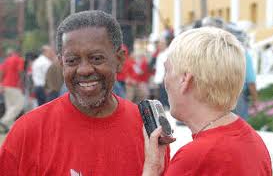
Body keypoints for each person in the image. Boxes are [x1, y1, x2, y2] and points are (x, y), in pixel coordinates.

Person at [0, 10, 170, 175]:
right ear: (62, 64)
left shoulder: (149, 134)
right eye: (72, 61)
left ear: (119, 60)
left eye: (96, 58)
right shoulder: (27, 132)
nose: (84, 70)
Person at [142, 27, 272, 176]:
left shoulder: (195, 157)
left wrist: (151, 168)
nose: (166, 81)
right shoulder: (253, 140)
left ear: (185, 79)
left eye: (168, 70)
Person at [0, 50, 25, 128]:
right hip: (14, 85)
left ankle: (10, 126)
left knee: (10, 107)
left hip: (5, 85)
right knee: (20, 104)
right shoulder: (19, 59)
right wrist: (22, 84)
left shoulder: (6, 60)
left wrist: (1, 84)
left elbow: (1, 72)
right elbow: (20, 71)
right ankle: (4, 121)